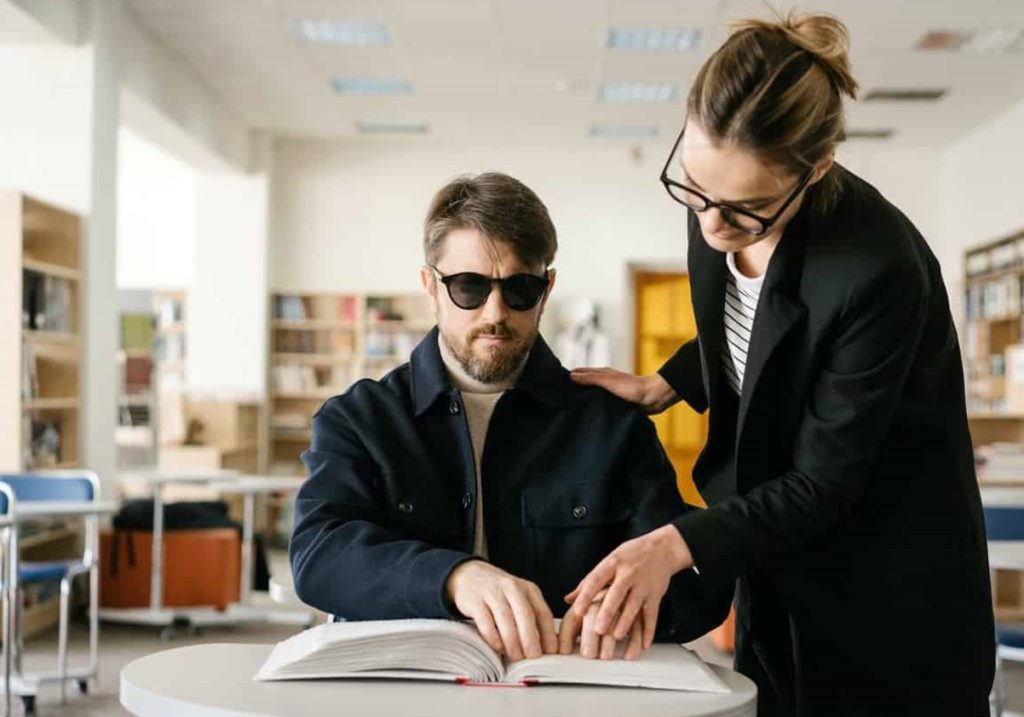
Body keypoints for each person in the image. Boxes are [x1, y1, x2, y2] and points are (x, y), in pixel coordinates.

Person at [567, 12, 995, 717]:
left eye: (745, 209)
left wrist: (673, 544)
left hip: (888, 593)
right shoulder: (719, 195)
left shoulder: (876, 268)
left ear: (815, 169)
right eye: (696, 188)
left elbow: (825, 483)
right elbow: (756, 332)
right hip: (777, 560)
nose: (711, 224)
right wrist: (667, 383)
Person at [289, 172, 724, 664]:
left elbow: (697, 589)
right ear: (430, 286)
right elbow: (318, 555)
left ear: (547, 288)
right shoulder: (358, 419)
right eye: (469, 288)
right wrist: (453, 577)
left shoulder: (610, 424)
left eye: (520, 289)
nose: (495, 312)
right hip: (405, 691)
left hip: (570, 692)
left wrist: (637, 601)